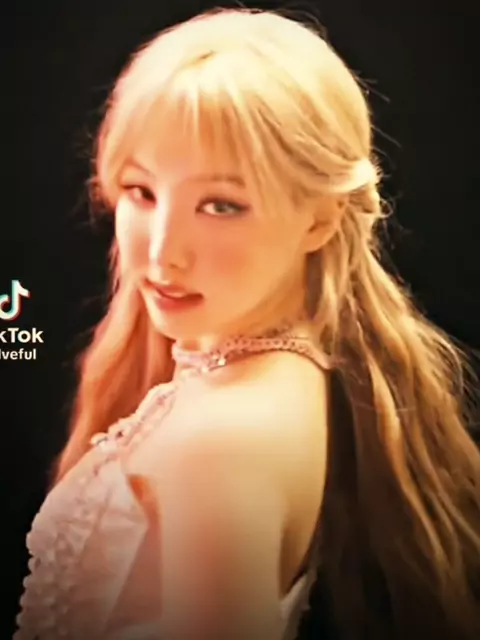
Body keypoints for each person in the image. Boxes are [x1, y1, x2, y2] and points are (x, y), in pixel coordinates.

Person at [14, 6, 480, 640]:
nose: (162, 253)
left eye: (221, 205)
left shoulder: (224, 441)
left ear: (319, 220)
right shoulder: (274, 374)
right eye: (142, 192)